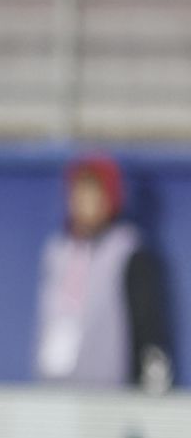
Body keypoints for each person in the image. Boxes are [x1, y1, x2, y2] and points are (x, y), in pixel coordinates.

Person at [35, 154, 175, 393]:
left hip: (109, 391)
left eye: (93, 195)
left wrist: (152, 385)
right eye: (79, 194)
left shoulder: (127, 251)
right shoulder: (58, 251)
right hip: (57, 388)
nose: (84, 203)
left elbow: (147, 325)